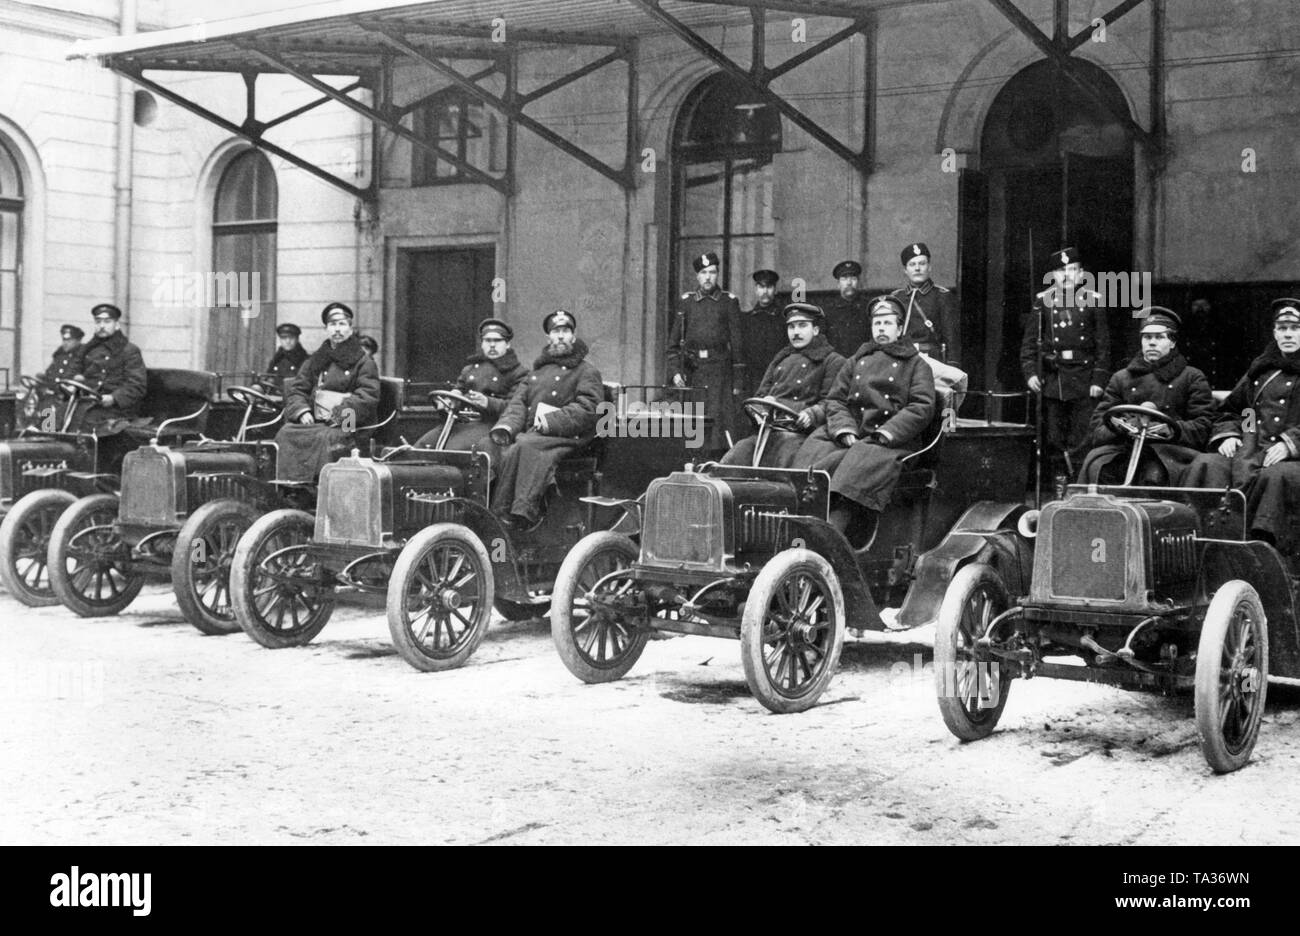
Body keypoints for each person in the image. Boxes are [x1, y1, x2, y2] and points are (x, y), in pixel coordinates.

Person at [793, 295, 936, 543]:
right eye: (876, 323)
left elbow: (921, 406)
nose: (880, 328)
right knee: (814, 453)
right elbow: (835, 400)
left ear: (900, 328)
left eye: (887, 323)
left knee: (854, 469)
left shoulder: (915, 365)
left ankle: (829, 540)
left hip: (891, 442)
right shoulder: (856, 360)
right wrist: (844, 429)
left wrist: (886, 433)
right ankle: (795, 524)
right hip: (854, 434)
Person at [1185, 298, 1300, 545]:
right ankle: (1204, 539)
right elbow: (1238, 411)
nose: (1288, 334)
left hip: (1292, 458)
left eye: (1295, 328)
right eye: (1282, 328)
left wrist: (1290, 444)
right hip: (1253, 451)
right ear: (1274, 332)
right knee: (1207, 463)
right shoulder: (1261, 369)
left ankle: (1263, 551)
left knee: (1276, 477)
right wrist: (1231, 435)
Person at [490, 310, 603, 530]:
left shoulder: (586, 371)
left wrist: (551, 421)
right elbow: (518, 404)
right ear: (548, 337)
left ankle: (525, 513)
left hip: (570, 437)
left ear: (573, 335)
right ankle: (500, 513)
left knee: (526, 444)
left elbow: (589, 408)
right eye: (556, 331)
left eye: (565, 331)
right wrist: (505, 427)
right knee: (509, 449)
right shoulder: (537, 372)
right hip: (539, 434)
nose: (560, 336)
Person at [1078, 308, 1214, 486]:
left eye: (1159, 337)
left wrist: (1168, 429)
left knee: (1153, 474)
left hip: (1170, 452)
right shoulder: (1121, 378)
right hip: (1124, 448)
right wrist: (1124, 425)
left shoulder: (1191, 377)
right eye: (1147, 337)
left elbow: (1203, 426)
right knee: (1099, 466)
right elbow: (1097, 428)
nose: (1152, 343)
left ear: (1172, 343)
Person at [1021, 246, 1110, 489]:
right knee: (1053, 438)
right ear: (1053, 276)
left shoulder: (1094, 301)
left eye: (1073, 269)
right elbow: (1029, 345)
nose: (1068, 275)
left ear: (1081, 274)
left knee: (1082, 436)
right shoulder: (1043, 302)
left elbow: (1103, 347)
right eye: (1061, 271)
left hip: (1084, 380)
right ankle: (1060, 484)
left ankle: (1079, 485)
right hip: (1053, 380)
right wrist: (1030, 374)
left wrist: (1098, 381)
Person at [721, 302, 845, 468]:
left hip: (802, 434)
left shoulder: (832, 361)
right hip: (769, 430)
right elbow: (761, 395)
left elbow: (832, 402)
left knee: (782, 461)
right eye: (791, 327)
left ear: (815, 330)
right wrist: (760, 408)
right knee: (736, 456)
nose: (796, 332)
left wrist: (812, 414)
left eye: (802, 326)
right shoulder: (781, 358)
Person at [275, 302, 381, 481]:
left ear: (350, 328)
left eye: (342, 324)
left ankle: (319, 489)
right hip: (316, 421)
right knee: (286, 433)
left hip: (349, 423)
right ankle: (289, 486)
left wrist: (337, 415)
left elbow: (367, 397)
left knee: (329, 439)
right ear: (326, 328)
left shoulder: (363, 361)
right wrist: (302, 412)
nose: (337, 329)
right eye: (332, 324)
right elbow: (298, 389)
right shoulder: (316, 359)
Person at [415, 317, 528, 458]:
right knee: (421, 447)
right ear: (482, 344)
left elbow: (516, 409)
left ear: (507, 344)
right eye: (487, 341)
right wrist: (452, 397)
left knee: (453, 451)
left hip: (489, 425)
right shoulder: (470, 369)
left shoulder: (518, 373)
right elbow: (460, 389)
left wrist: (488, 402)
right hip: (459, 422)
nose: (492, 345)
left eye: (497, 341)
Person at [667, 251, 743, 451]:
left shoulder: (729, 302)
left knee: (720, 426)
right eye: (703, 273)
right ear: (697, 276)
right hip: (694, 373)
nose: (708, 277)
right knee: (694, 425)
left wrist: (738, 382)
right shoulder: (687, 302)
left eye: (712, 272)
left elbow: (738, 346)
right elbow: (673, 345)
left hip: (720, 373)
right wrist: (676, 372)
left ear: (717, 275)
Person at [73, 303, 148, 431]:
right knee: (49, 412)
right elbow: (73, 371)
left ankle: (81, 450)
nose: (102, 326)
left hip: (116, 408)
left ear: (117, 325)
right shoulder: (87, 349)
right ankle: (44, 442)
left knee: (86, 421)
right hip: (86, 402)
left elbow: (137, 385)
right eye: (98, 321)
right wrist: (72, 381)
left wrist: (114, 398)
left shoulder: (129, 350)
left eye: (107, 322)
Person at [889, 242, 959, 362]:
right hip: (901, 359)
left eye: (922, 263)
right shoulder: (896, 298)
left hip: (932, 360)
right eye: (912, 264)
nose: (917, 268)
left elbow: (951, 337)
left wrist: (953, 364)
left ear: (929, 267)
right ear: (905, 270)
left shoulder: (942, 296)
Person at [737, 269, 787, 398]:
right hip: (753, 380)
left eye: (769, 287)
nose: (765, 292)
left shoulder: (784, 319)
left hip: (778, 379)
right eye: (761, 287)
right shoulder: (746, 320)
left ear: (775, 289)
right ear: (756, 289)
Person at [824, 259, 872, 356]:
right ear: (838, 284)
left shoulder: (868, 308)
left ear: (858, 282)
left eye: (853, 278)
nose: (849, 282)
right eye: (844, 278)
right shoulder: (828, 311)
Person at [265, 323, 308, 390]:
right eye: (284, 338)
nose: (288, 341)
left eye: (291, 338)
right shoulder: (277, 359)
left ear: (297, 339)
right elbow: (268, 378)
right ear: (280, 339)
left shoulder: (305, 360)